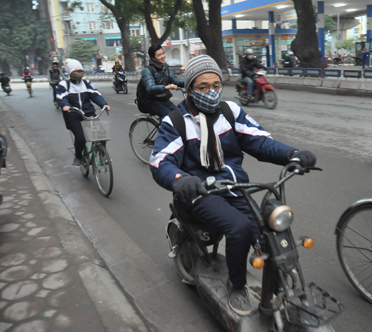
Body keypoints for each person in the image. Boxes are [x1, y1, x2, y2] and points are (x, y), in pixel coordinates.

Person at [150, 55, 316, 316]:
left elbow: (260, 141)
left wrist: (292, 154)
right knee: (238, 228)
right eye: (203, 87)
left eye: (216, 85)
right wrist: (181, 179)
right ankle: (236, 286)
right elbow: (161, 161)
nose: (211, 92)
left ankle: (278, 286)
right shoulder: (177, 121)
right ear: (190, 88)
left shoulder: (230, 111)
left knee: (266, 229)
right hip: (198, 193)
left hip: (234, 187)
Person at [56, 59, 110, 167]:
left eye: (81, 70)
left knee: (102, 133)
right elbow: (61, 97)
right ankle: (78, 157)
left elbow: (95, 94)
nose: (79, 73)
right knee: (81, 137)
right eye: (76, 71)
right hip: (73, 115)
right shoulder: (64, 84)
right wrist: (65, 106)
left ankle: (102, 154)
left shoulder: (86, 83)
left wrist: (104, 104)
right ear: (71, 73)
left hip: (89, 113)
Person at [141, 44, 185, 118]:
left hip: (164, 100)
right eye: (159, 55)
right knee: (170, 118)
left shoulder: (165, 69)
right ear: (153, 58)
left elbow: (176, 81)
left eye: (163, 53)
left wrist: (192, 82)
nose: (163, 56)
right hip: (151, 102)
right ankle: (165, 129)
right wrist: (166, 87)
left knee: (180, 116)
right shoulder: (147, 71)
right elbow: (150, 88)